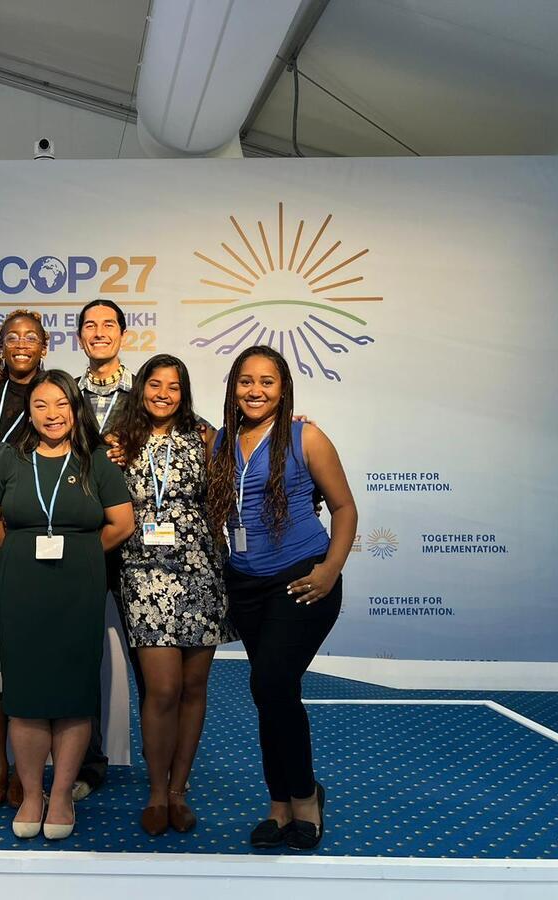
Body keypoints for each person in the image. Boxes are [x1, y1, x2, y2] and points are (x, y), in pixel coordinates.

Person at [206, 345, 356, 851]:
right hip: (245, 586)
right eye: (245, 381)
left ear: (283, 387)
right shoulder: (221, 442)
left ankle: (305, 798)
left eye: (267, 381)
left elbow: (344, 508)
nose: (255, 390)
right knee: (270, 693)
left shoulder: (305, 436)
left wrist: (330, 570)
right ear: (233, 388)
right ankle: (279, 804)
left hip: (301, 580)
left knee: (272, 682)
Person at [0, 370, 135, 841]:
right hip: (22, 586)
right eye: (42, 405)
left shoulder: (95, 460)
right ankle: (30, 793)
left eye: (61, 405)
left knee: (71, 693)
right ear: (31, 411)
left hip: (79, 588)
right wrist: (20, 549)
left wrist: (83, 553)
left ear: (75, 409)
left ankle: (62, 794)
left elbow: (121, 523)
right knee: (25, 696)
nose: (52, 414)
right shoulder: (10, 458)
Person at [111, 354, 232, 836]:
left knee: (193, 688)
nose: (164, 393)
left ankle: (178, 790)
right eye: (155, 384)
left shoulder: (204, 437)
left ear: (185, 392)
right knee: (162, 688)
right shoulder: (120, 440)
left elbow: (235, 474)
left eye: (174, 386)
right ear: (141, 389)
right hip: (143, 571)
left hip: (200, 568)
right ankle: (156, 790)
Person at [0, 310, 48, 808]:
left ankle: (29, 768)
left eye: (31, 337)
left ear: (44, 346)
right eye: (12, 336)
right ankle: (0, 766)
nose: (21, 343)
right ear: (1, 345)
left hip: (39, 539)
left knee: (34, 655)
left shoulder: (57, 394)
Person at [73, 297, 140, 798]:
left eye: (108, 324)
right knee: (80, 655)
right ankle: (86, 762)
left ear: (123, 334)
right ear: (80, 337)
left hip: (137, 542)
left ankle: (161, 770)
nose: (99, 332)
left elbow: (199, 436)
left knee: (151, 660)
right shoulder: (62, 395)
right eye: (90, 325)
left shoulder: (149, 392)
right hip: (80, 540)